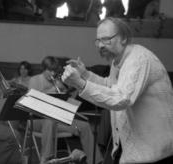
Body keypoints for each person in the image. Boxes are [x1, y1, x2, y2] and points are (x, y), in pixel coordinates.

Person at [61, 17, 173, 164]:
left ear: (124, 38)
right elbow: (111, 86)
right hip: (131, 151)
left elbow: (121, 98)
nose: (100, 45)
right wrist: (85, 74)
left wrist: (80, 84)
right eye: (98, 40)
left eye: (106, 39)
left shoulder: (139, 59)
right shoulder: (117, 60)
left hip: (154, 153)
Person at [29, 56, 103, 164]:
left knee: (84, 125)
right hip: (35, 120)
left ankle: (95, 160)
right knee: (49, 120)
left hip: (56, 120)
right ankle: (46, 159)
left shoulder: (58, 82)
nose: (52, 74)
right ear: (43, 69)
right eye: (49, 70)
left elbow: (69, 109)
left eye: (54, 71)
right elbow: (32, 103)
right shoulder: (34, 80)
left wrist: (73, 93)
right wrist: (54, 89)